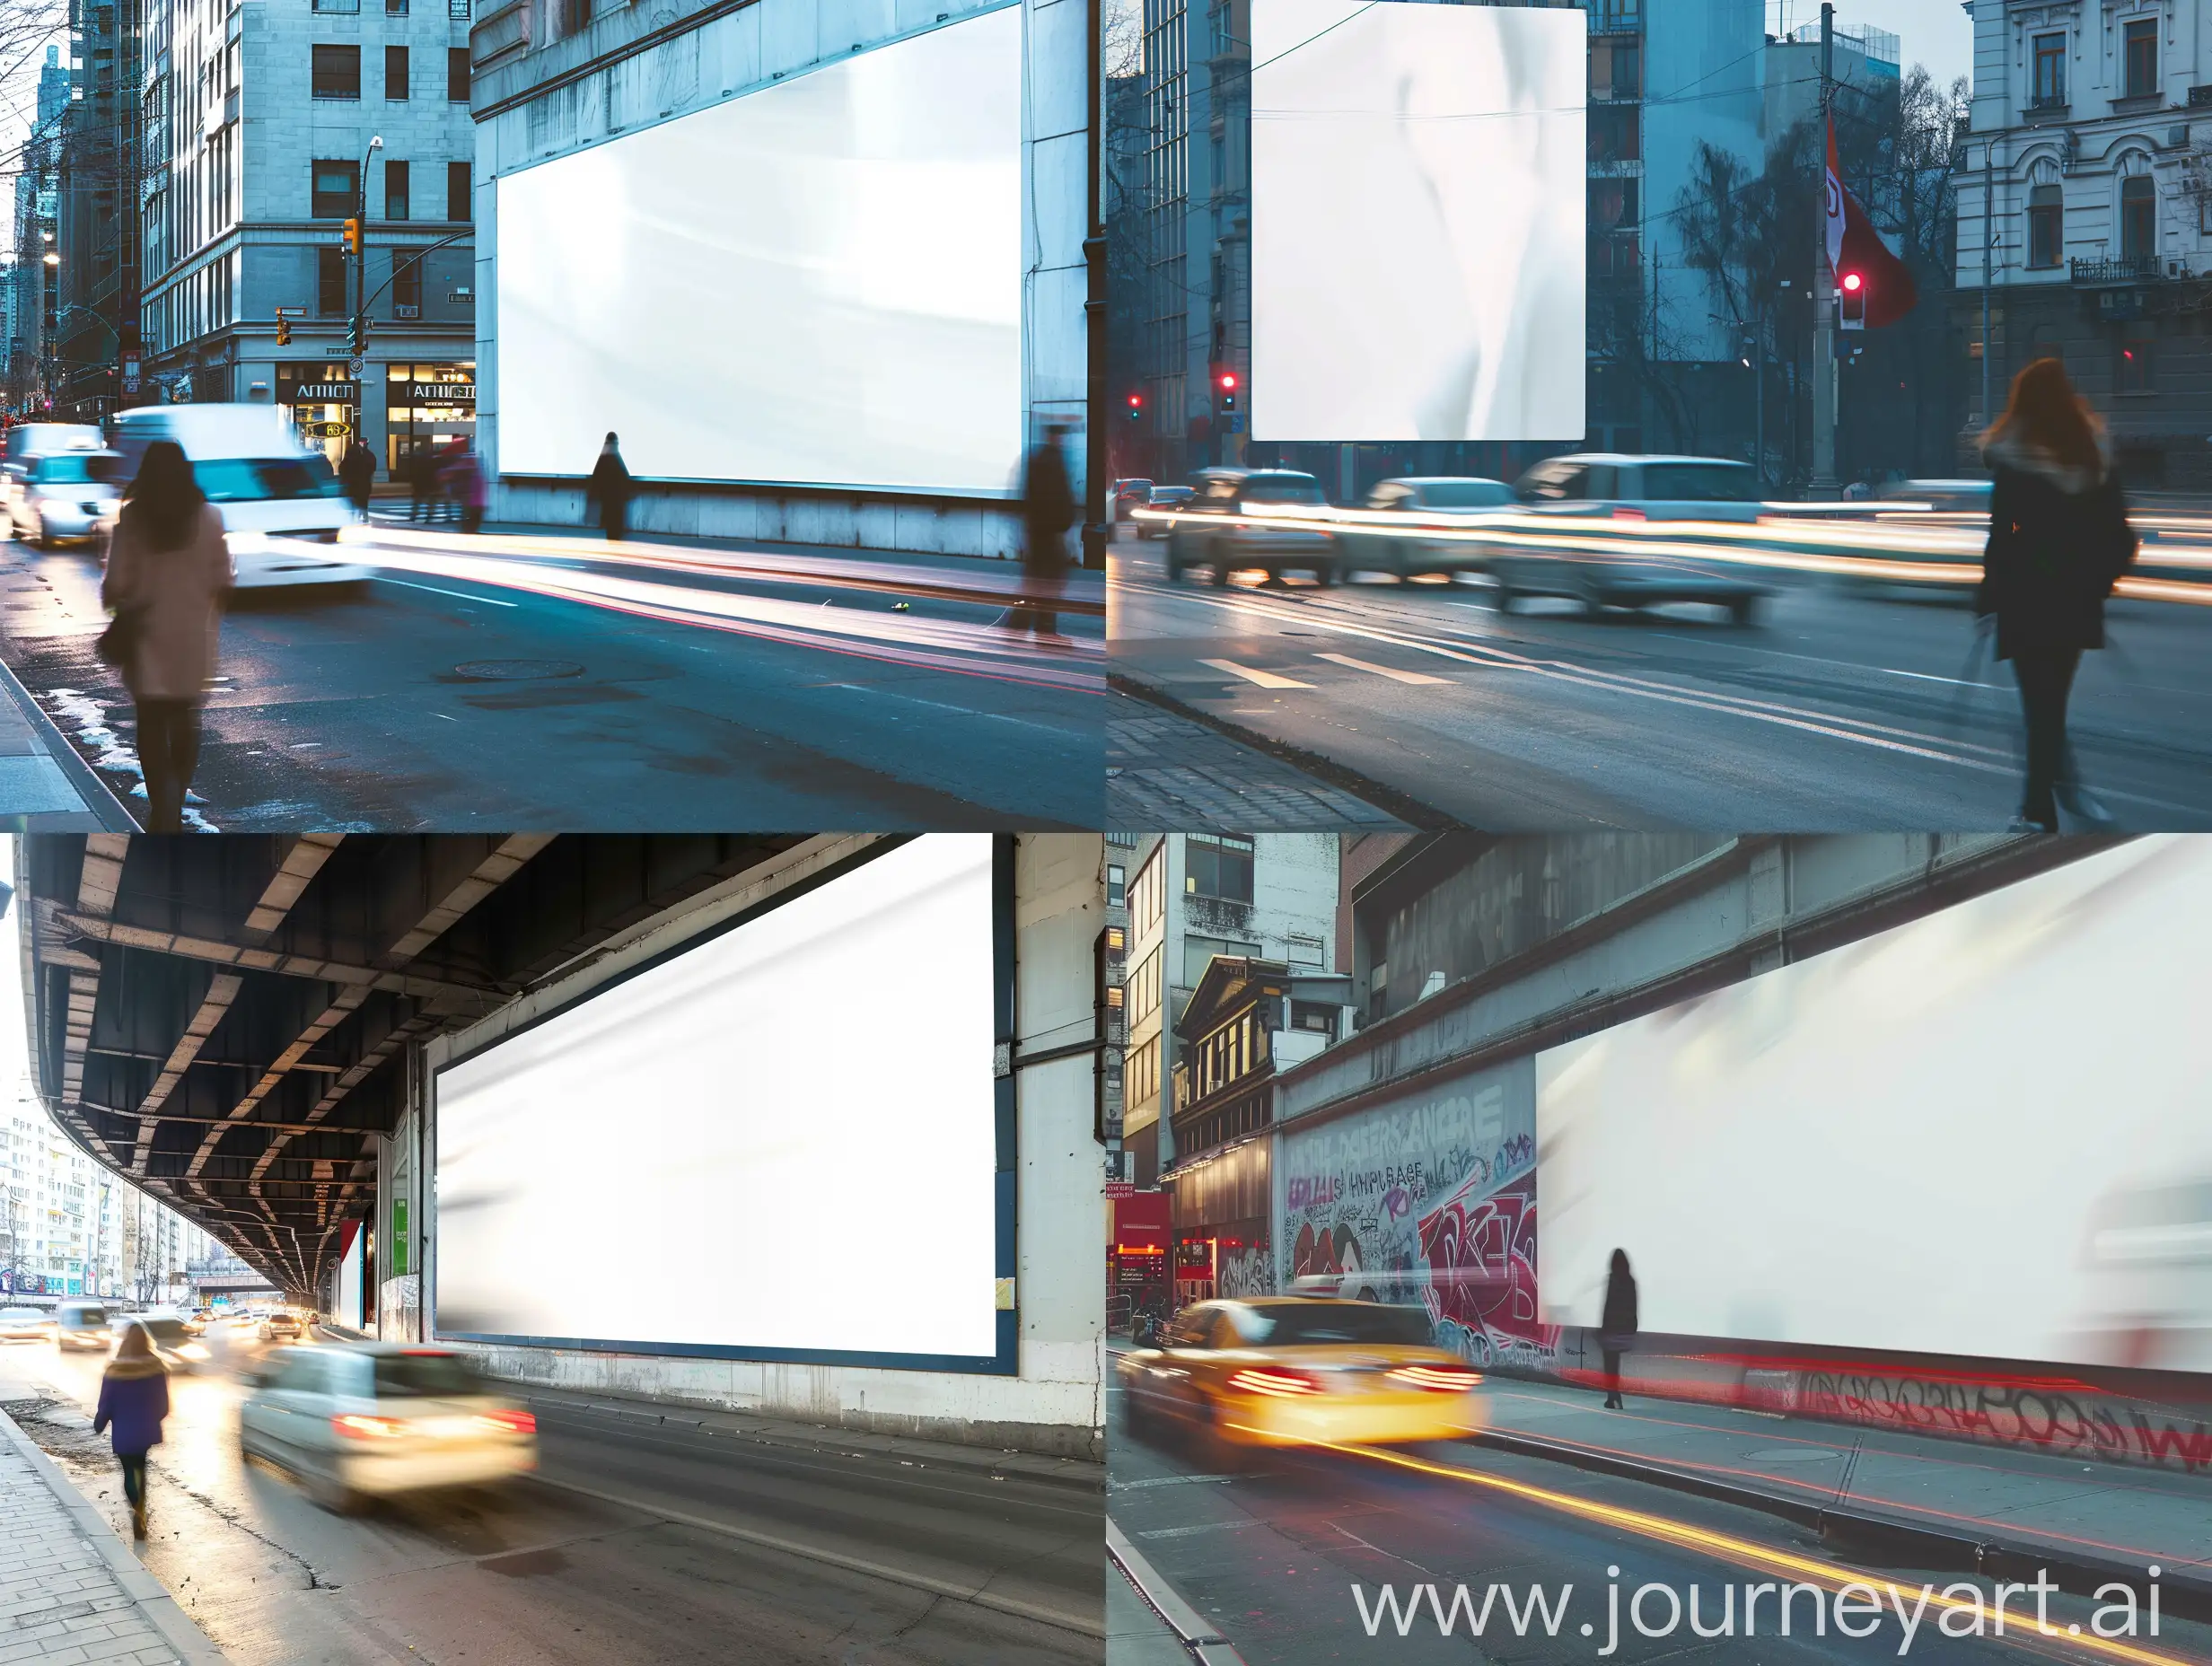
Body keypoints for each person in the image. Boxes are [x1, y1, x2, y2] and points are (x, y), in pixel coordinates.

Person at [1978, 357, 2137, 833]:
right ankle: (2050, 797)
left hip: (2026, 602)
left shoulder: (2014, 461)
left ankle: (2037, 808)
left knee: (2040, 706)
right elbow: (2121, 535)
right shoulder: (2092, 459)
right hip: (2074, 603)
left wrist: (1989, 595)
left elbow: (2001, 535)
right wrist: (2098, 585)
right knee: (2050, 704)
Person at [101, 441, 232, 833]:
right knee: (186, 718)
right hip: (193, 636)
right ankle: (175, 795)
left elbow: (116, 584)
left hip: (147, 639)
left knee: (151, 723)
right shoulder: (210, 517)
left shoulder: (134, 519)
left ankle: (164, 806)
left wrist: (116, 605)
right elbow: (222, 578)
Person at [92, 1321, 171, 1540]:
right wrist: (151, 1419)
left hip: (124, 1432)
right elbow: (164, 1405)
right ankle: (141, 1513)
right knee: (141, 1468)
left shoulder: (114, 1369)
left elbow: (105, 1404)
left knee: (128, 1472)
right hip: (145, 1431)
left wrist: (99, 1424)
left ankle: (137, 1509)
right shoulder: (156, 1367)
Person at [1014, 425, 1075, 638]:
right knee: (1049, 582)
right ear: (1053, 437)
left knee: (1036, 581)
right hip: (1049, 532)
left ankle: (1021, 626)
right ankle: (1040, 627)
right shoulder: (1051, 462)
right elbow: (1057, 497)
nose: (1061, 440)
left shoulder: (1039, 459)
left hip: (1040, 531)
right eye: (1059, 436)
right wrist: (1063, 523)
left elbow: (1030, 497)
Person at [1598, 1248, 1637, 1410]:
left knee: (1610, 1365)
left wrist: (1603, 1328)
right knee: (1616, 1365)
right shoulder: (1630, 1280)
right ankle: (1615, 1397)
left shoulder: (1612, 1279)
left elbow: (1608, 1305)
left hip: (1611, 1329)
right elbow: (1633, 1305)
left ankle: (1612, 1396)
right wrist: (1633, 1326)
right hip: (1624, 1328)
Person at [584, 432, 633, 542]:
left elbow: (596, 481)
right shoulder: (617, 459)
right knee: (616, 529)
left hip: (607, 501)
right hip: (616, 502)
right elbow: (624, 480)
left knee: (611, 530)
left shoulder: (602, 460)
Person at [453, 443, 487, 535]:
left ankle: (467, 530)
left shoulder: (473, 477)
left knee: (473, 520)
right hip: (476, 504)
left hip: (474, 503)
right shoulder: (477, 477)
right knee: (474, 520)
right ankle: (468, 530)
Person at [338, 440, 375, 522]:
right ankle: (364, 516)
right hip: (363, 485)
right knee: (363, 502)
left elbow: (342, 472)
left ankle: (353, 517)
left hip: (351, 486)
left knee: (353, 502)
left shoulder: (346, 462)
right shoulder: (364, 459)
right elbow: (370, 470)